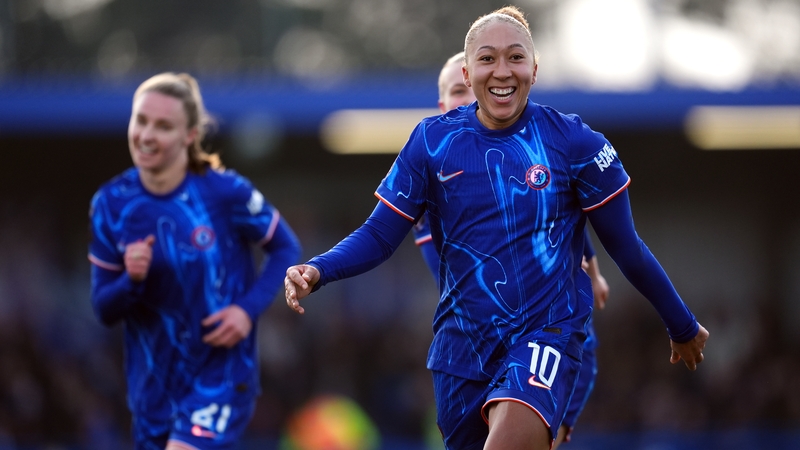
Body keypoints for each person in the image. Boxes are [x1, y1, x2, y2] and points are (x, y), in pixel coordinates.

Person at [285, 5, 708, 450]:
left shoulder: (576, 144)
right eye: (487, 59)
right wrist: (318, 270)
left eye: (515, 57)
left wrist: (680, 324)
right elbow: (378, 235)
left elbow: (628, 247)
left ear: (535, 69)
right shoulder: (432, 143)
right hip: (460, 356)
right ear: (468, 74)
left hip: (545, 335)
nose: (502, 71)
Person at [88, 72, 302, 450]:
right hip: (151, 387)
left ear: (189, 136)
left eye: (163, 126)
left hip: (220, 374)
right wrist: (132, 280)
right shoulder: (111, 204)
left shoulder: (225, 191)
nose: (147, 135)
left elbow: (285, 248)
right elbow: (105, 309)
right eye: (141, 121)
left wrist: (245, 311)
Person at [415, 50, 610, 448]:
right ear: (442, 106)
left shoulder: (532, 157)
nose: (467, 99)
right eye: (457, 91)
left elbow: (561, 212)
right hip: (471, 358)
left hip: (533, 345)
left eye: (472, 90)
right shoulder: (426, 174)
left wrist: (590, 261)